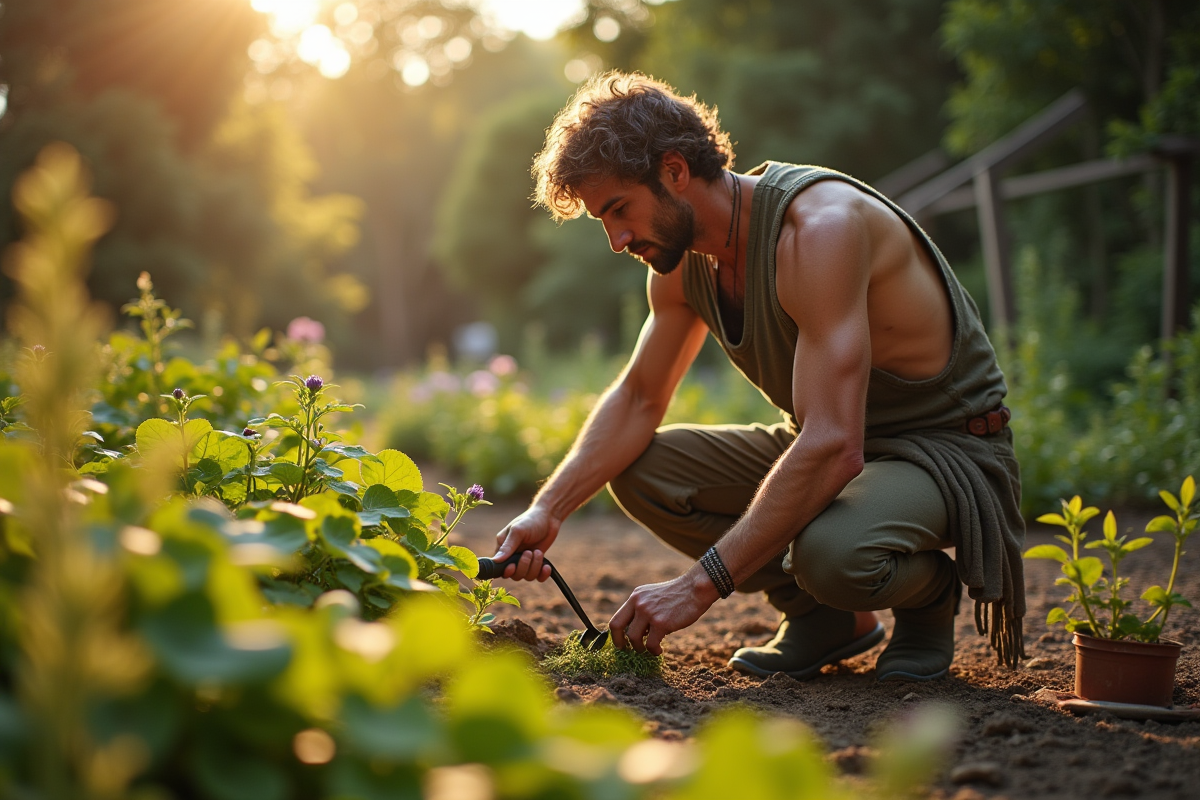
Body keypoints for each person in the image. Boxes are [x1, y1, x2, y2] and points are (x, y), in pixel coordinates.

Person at [493, 72, 1026, 680]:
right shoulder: (677, 265)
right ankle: (822, 618)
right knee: (639, 471)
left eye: (619, 210)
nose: (615, 240)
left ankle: (928, 597)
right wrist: (549, 509)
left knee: (831, 553)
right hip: (835, 444)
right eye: (603, 221)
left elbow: (832, 445)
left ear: (673, 171)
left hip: (944, 450)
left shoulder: (818, 231)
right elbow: (640, 397)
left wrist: (698, 587)